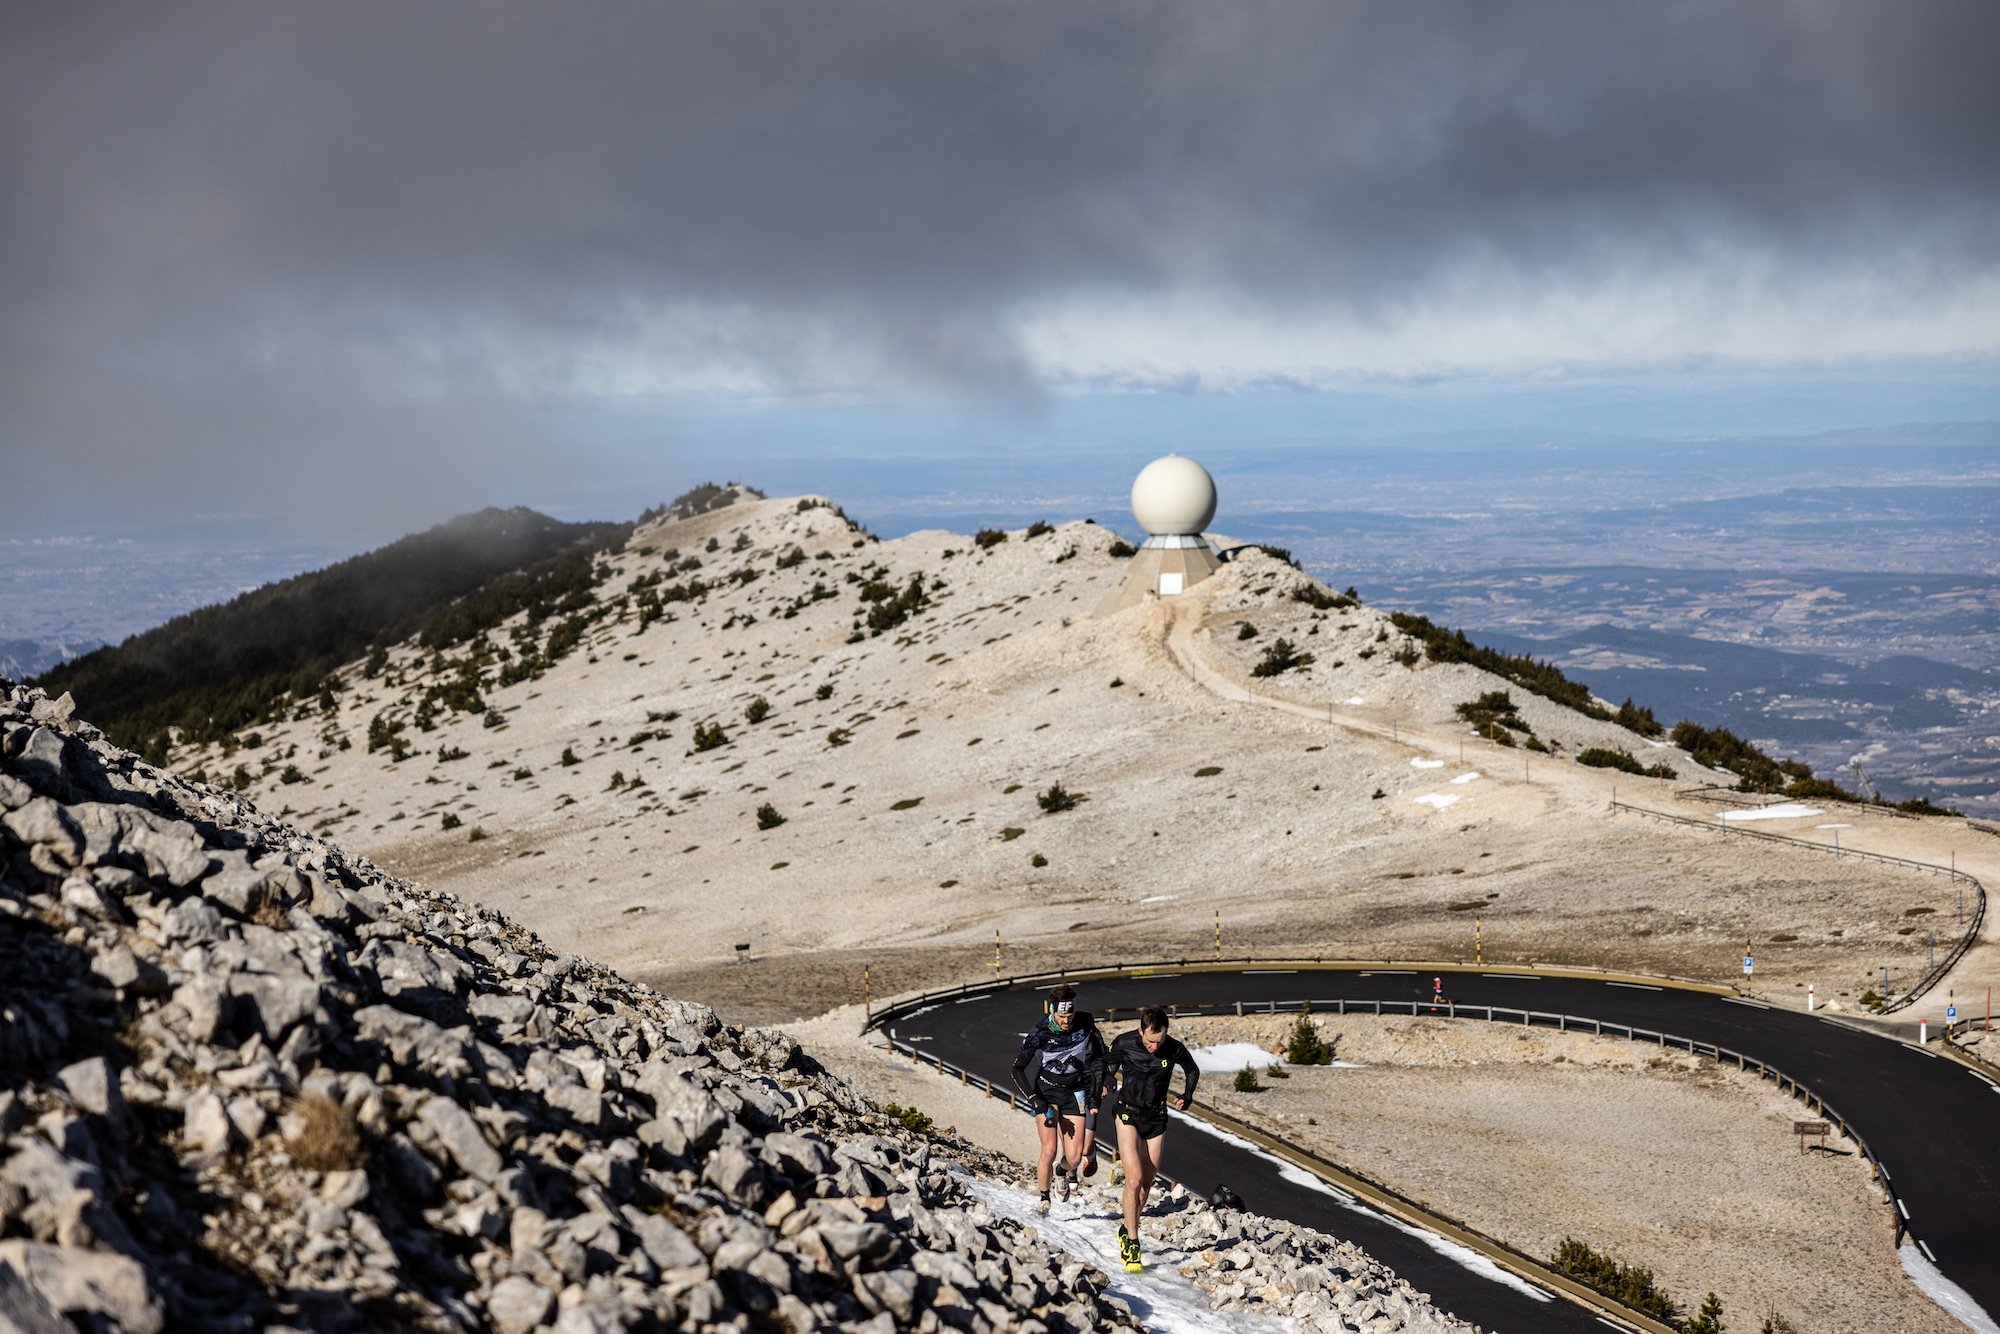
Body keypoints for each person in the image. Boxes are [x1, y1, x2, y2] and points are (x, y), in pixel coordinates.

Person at [1103, 1005, 1199, 1271]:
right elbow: (1107, 1065)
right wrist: (1107, 1081)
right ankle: (1133, 1243)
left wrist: (1187, 1095)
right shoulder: (1124, 1042)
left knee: (1146, 1185)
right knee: (1132, 1180)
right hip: (1127, 1115)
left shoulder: (1173, 1047)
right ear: (1140, 1030)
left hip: (1156, 1118)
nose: (1155, 1046)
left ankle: (1126, 1227)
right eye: (1150, 1041)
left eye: (1159, 1041)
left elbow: (1192, 1069)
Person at [1010, 983, 1108, 1213]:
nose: (1066, 1021)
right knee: (1050, 1150)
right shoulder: (1039, 1032)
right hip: (1047, 1092)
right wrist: (1033, 1097)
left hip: (1076, 1092)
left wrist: (1105, 1077)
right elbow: (1017, 1069)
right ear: (1051, 1010)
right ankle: (1044, 1199)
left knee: (1074, 1157)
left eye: (1069, 1015)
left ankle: (1062, 1172)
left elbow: (1102, 1054)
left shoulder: (1085, 1022)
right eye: (1061, 1016)